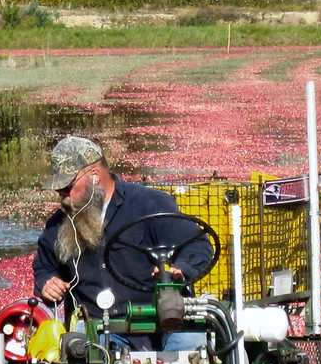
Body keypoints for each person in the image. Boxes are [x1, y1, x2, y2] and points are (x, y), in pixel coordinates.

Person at [31, 136, 212, 346]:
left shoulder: (151, 204)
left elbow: (198, 247)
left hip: (165, 323)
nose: (62, 195)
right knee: (76, 353)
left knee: (192, 354)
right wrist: (47, 282)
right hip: (96, 329)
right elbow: (44, 267)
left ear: (95, 176)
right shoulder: (59, 223)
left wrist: (181, 269)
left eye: (67, 187)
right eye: (58, 190)